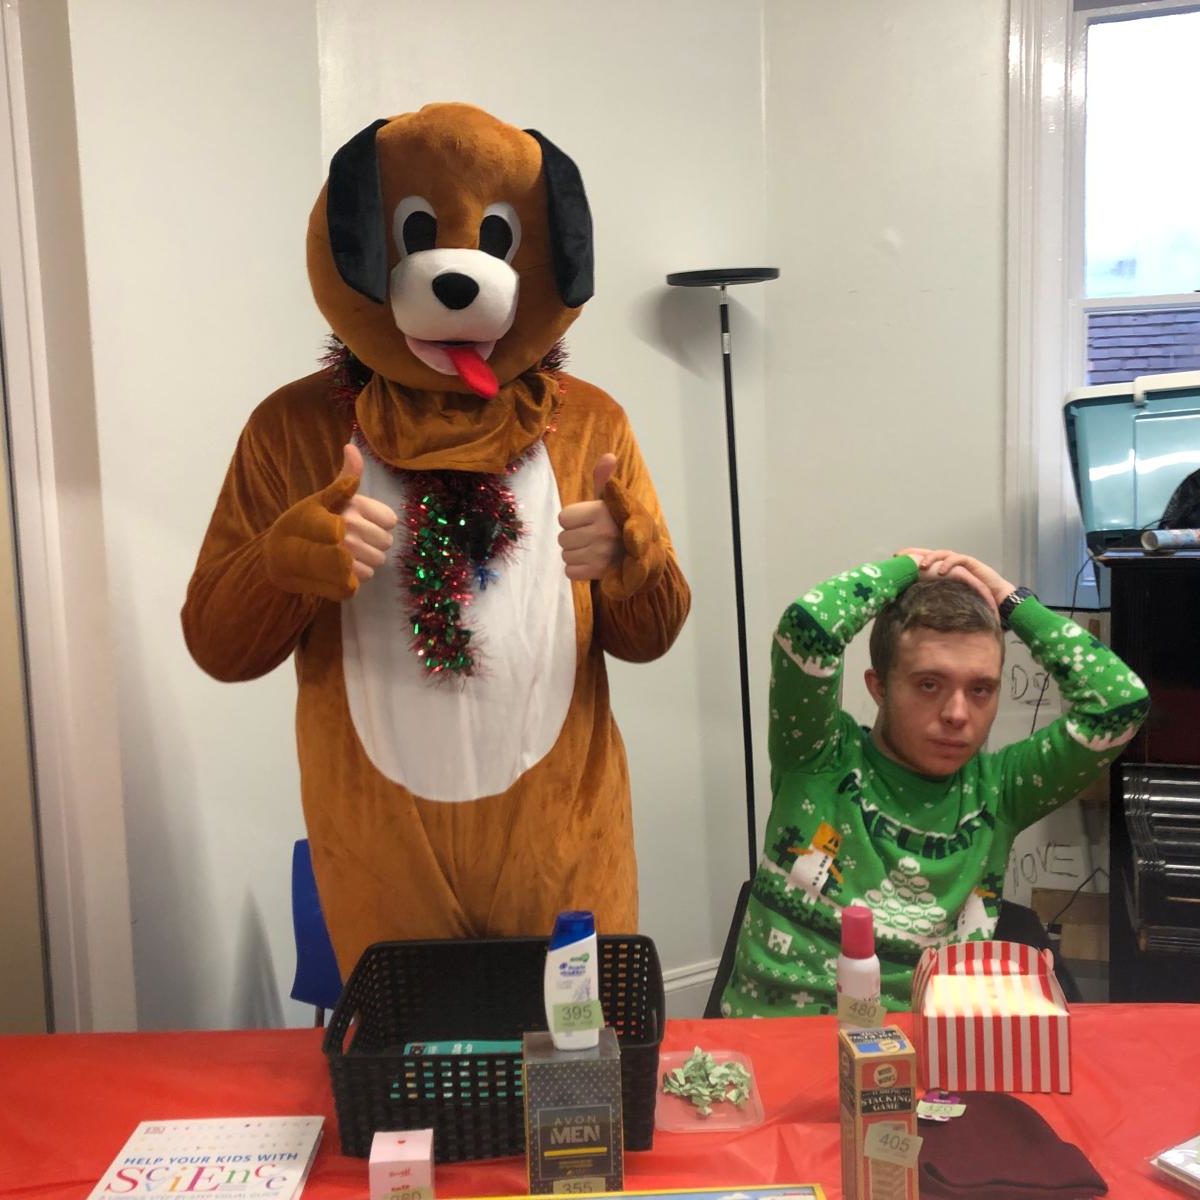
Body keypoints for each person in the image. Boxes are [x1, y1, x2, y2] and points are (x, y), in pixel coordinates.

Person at [722, 548, 1148, 1016]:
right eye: (929, 684)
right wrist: (906, 567)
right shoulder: (818, 756)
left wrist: (1011, 601)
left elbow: (1119, 703)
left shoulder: (1002, 791)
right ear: (879, 686)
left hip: (918, 1062)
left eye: (980, 689)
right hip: (769, 1047)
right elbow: (809, 627)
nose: (957, 714)